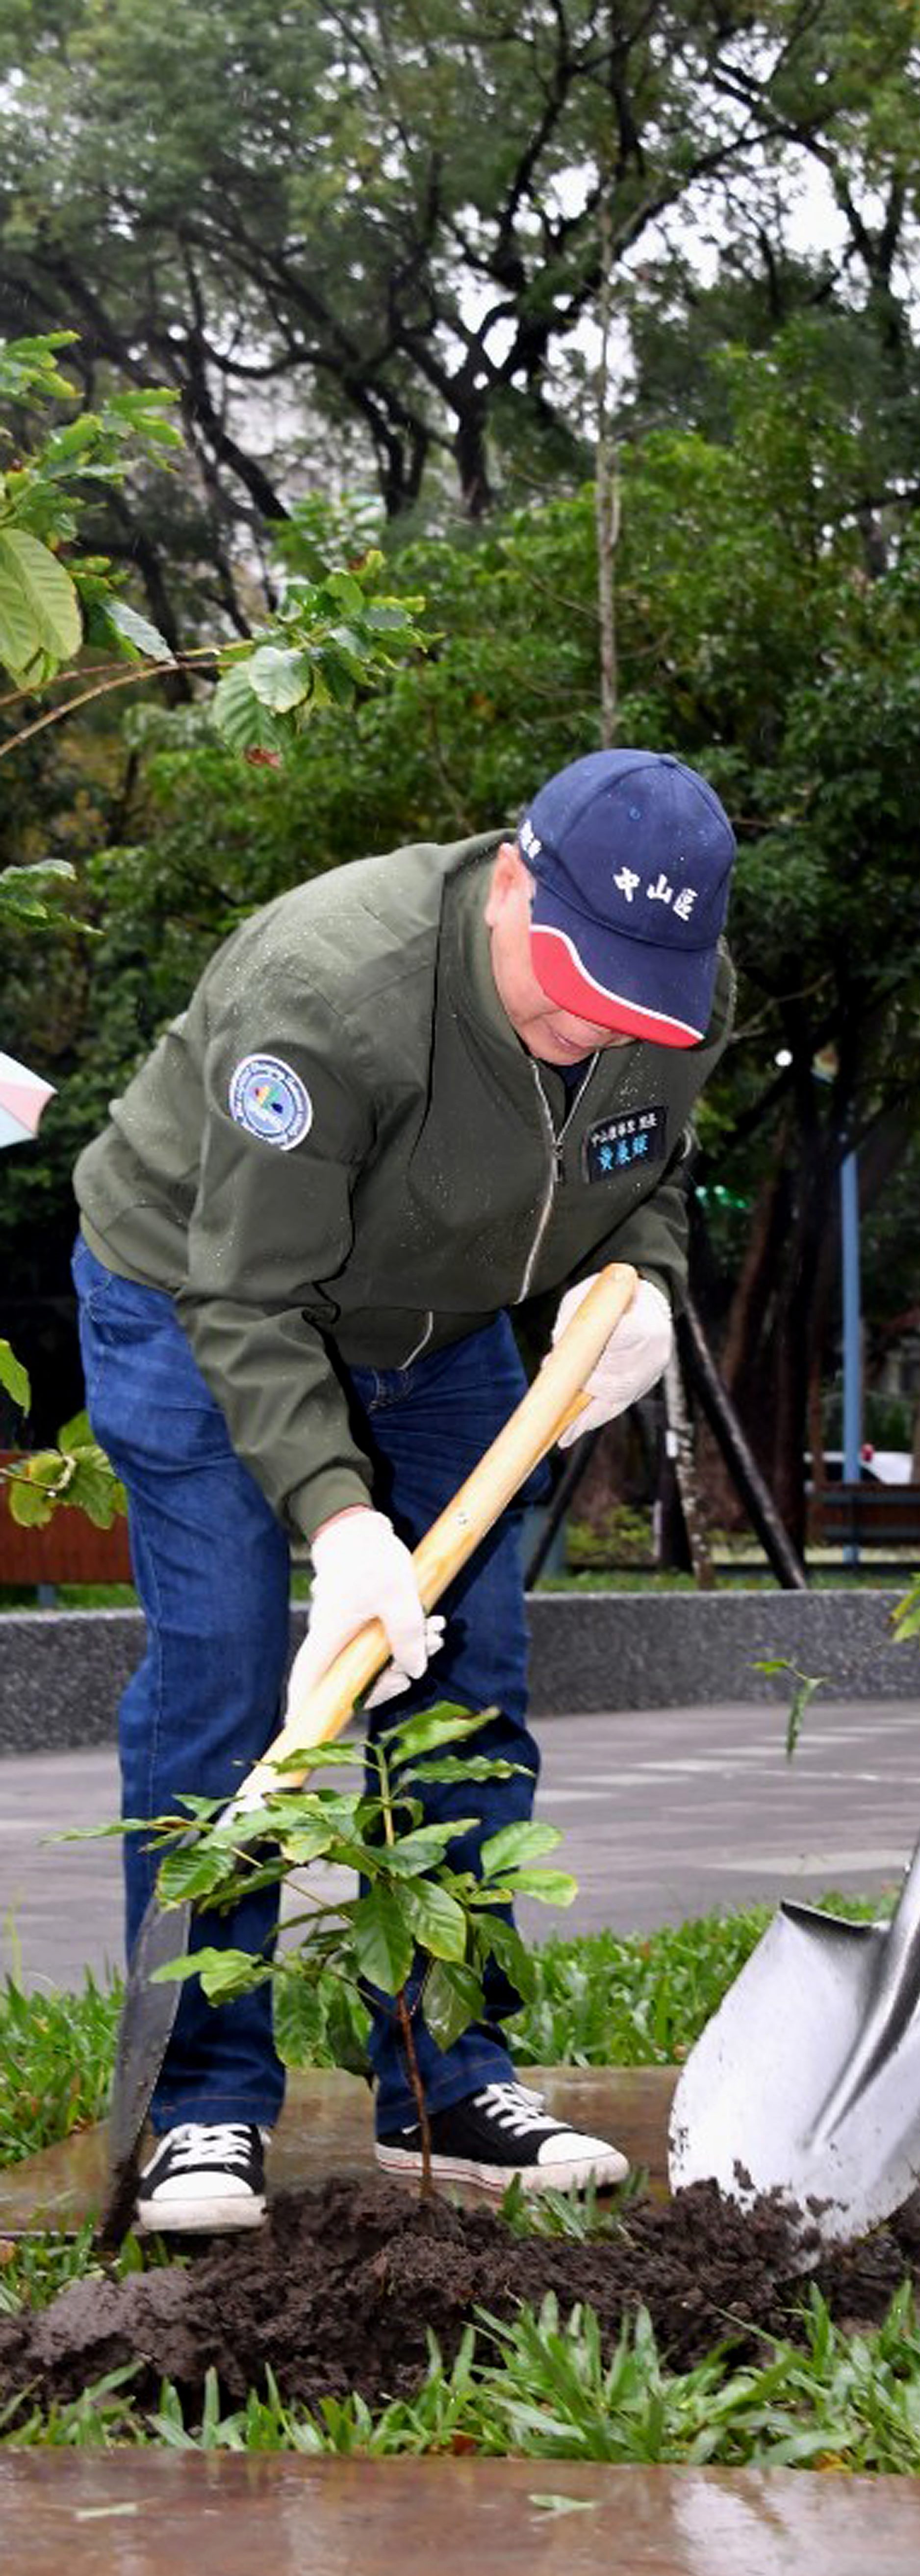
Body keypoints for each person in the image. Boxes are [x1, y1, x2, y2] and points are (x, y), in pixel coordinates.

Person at [74, 749, 737, 2236]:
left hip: (438, 1334)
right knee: (229, 1679)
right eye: (568, 982)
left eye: (629, 1007)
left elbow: (650, 1177)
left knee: (466, 1681)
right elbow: (244, 1299)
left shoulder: (671, 997)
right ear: (514, 877)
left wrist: (644, 1283)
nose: (586, 1031)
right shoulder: (329, 995)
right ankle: (201, 2100)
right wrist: (342, 1517)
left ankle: (448, 2085)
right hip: (197, 1299)